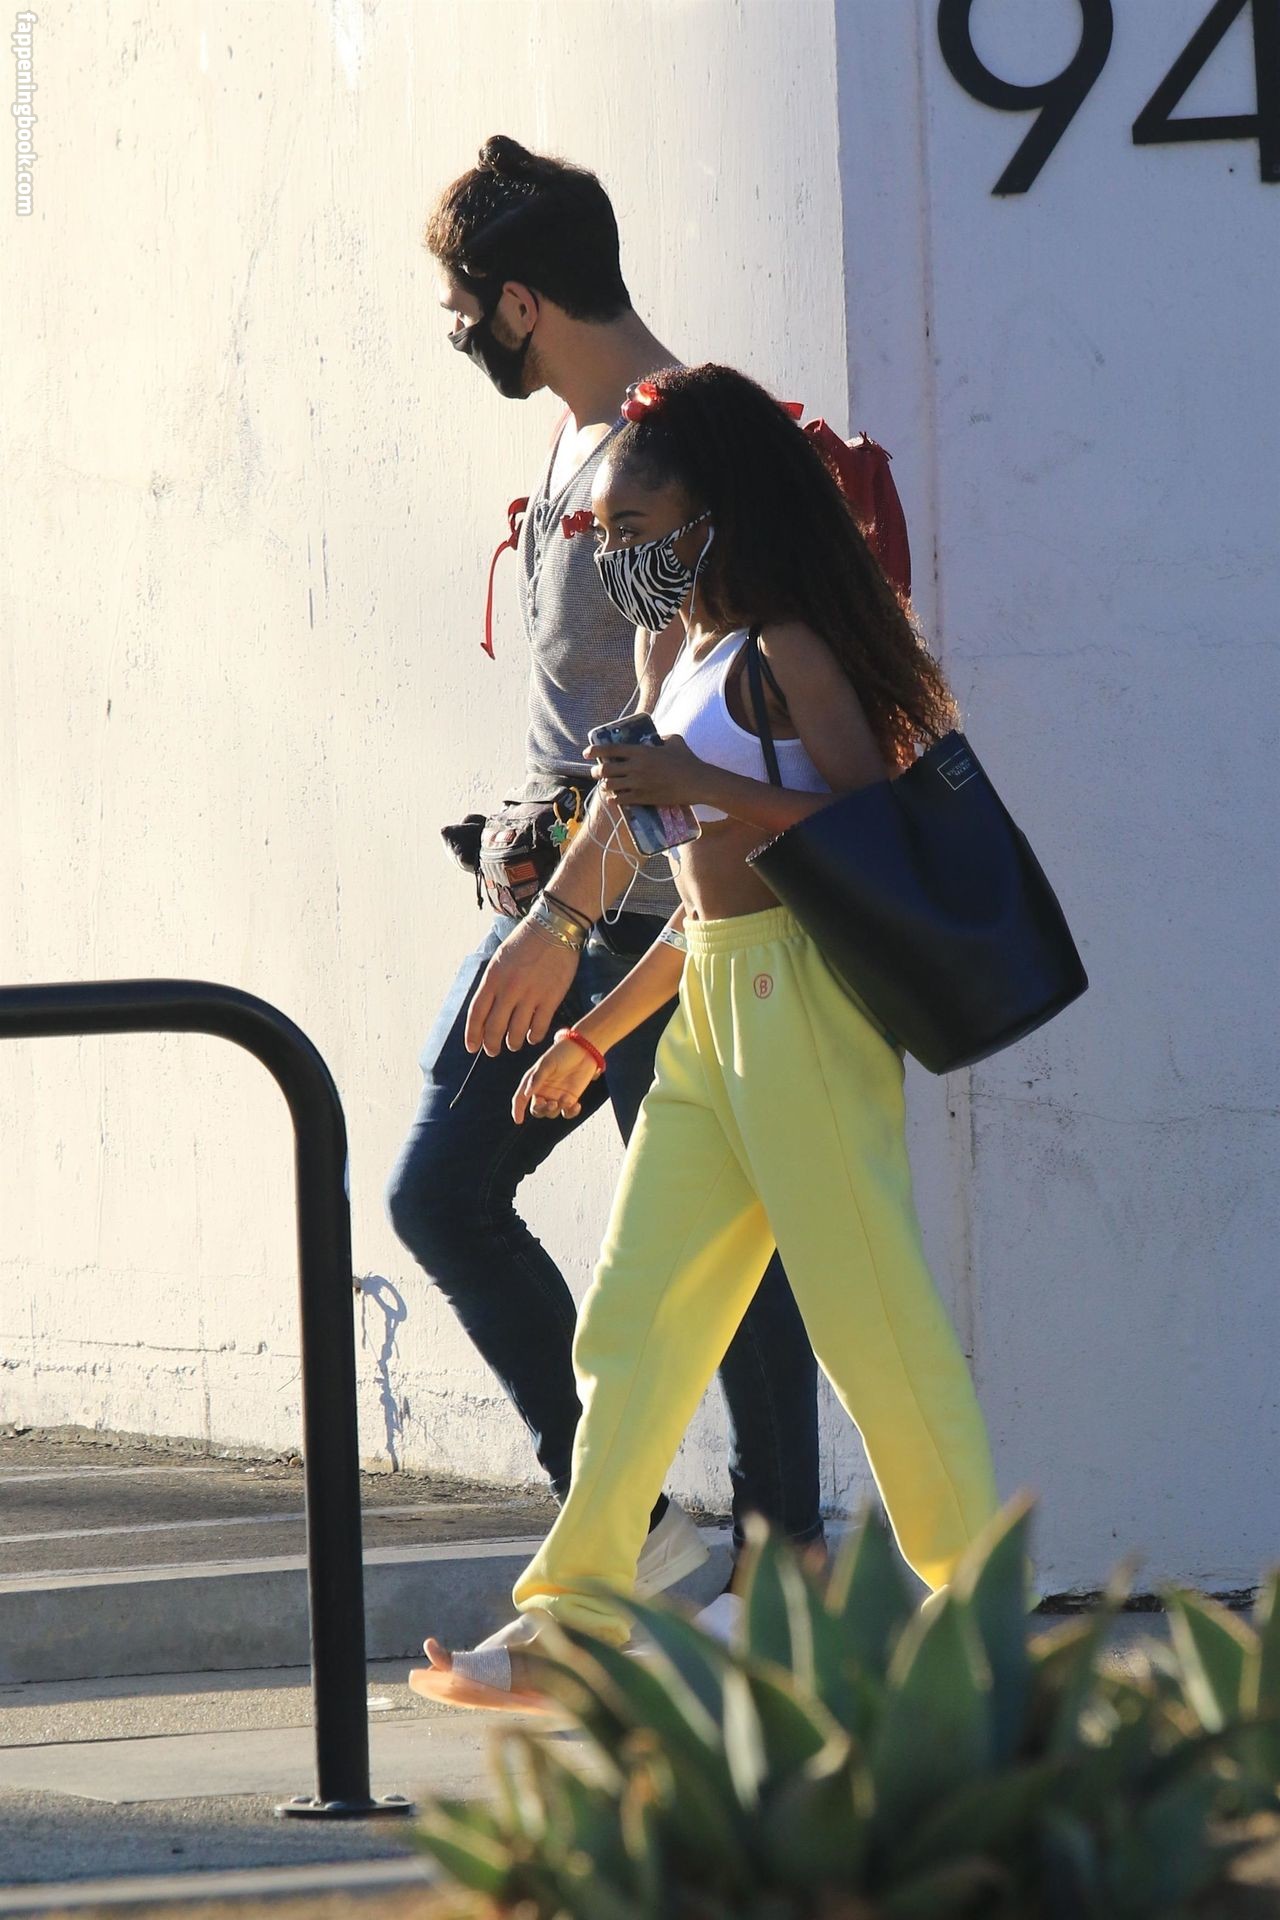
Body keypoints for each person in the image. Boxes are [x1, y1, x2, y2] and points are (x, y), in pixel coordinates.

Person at [415, 363, 1029, 1711]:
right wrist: (592, 1034)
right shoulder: (677, 654)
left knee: (875, 1326)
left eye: (637, 530)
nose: (617, 558)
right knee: (634, 1324)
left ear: (714, 511)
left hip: (804, 1008)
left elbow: (870, 833)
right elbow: (700, 913)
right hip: (712, 1004)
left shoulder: (787, 649)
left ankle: (980, 1620)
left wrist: (694, 779)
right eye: (604, 536)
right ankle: (574, 1621)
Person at [386, 139, 827, 1641]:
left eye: (464, 306)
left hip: (645, 912)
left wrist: (562, 916)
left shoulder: (674, 445)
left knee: (695, 1240)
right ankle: (659, 1538)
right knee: (497, 1203)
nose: (458, 332)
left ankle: (762, 1563)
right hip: (573, 901)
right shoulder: (583, 438)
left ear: (522, 301)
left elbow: (671, 715)